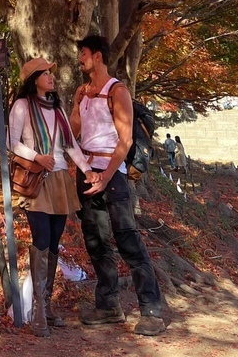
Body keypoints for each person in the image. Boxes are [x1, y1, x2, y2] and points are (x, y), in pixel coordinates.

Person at [70, 34, 166, 337]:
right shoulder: (82, 92)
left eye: (83, 53)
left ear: (98, 56)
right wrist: (72, 106)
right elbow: (73, 131)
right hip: (86, 172)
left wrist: (106, 176)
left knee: (127, 239)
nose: (80, 59)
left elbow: (124, 141)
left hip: (113, 175)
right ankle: (109, 304)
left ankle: (151, 308)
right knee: (95, 241)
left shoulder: (117, 90)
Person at [9, 56, 98, 336]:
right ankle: (37, 311)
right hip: (38, 180)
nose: (51, 76)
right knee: (41, 241)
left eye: (51, 72)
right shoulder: (22, 106)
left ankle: (46, 305)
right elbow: (11, 143)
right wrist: (37, 156)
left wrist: (88, 170)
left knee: (55, 243)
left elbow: (71, 146)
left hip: (60, 180)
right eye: (45, 73)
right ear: (34, 79)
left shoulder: (58, 108)